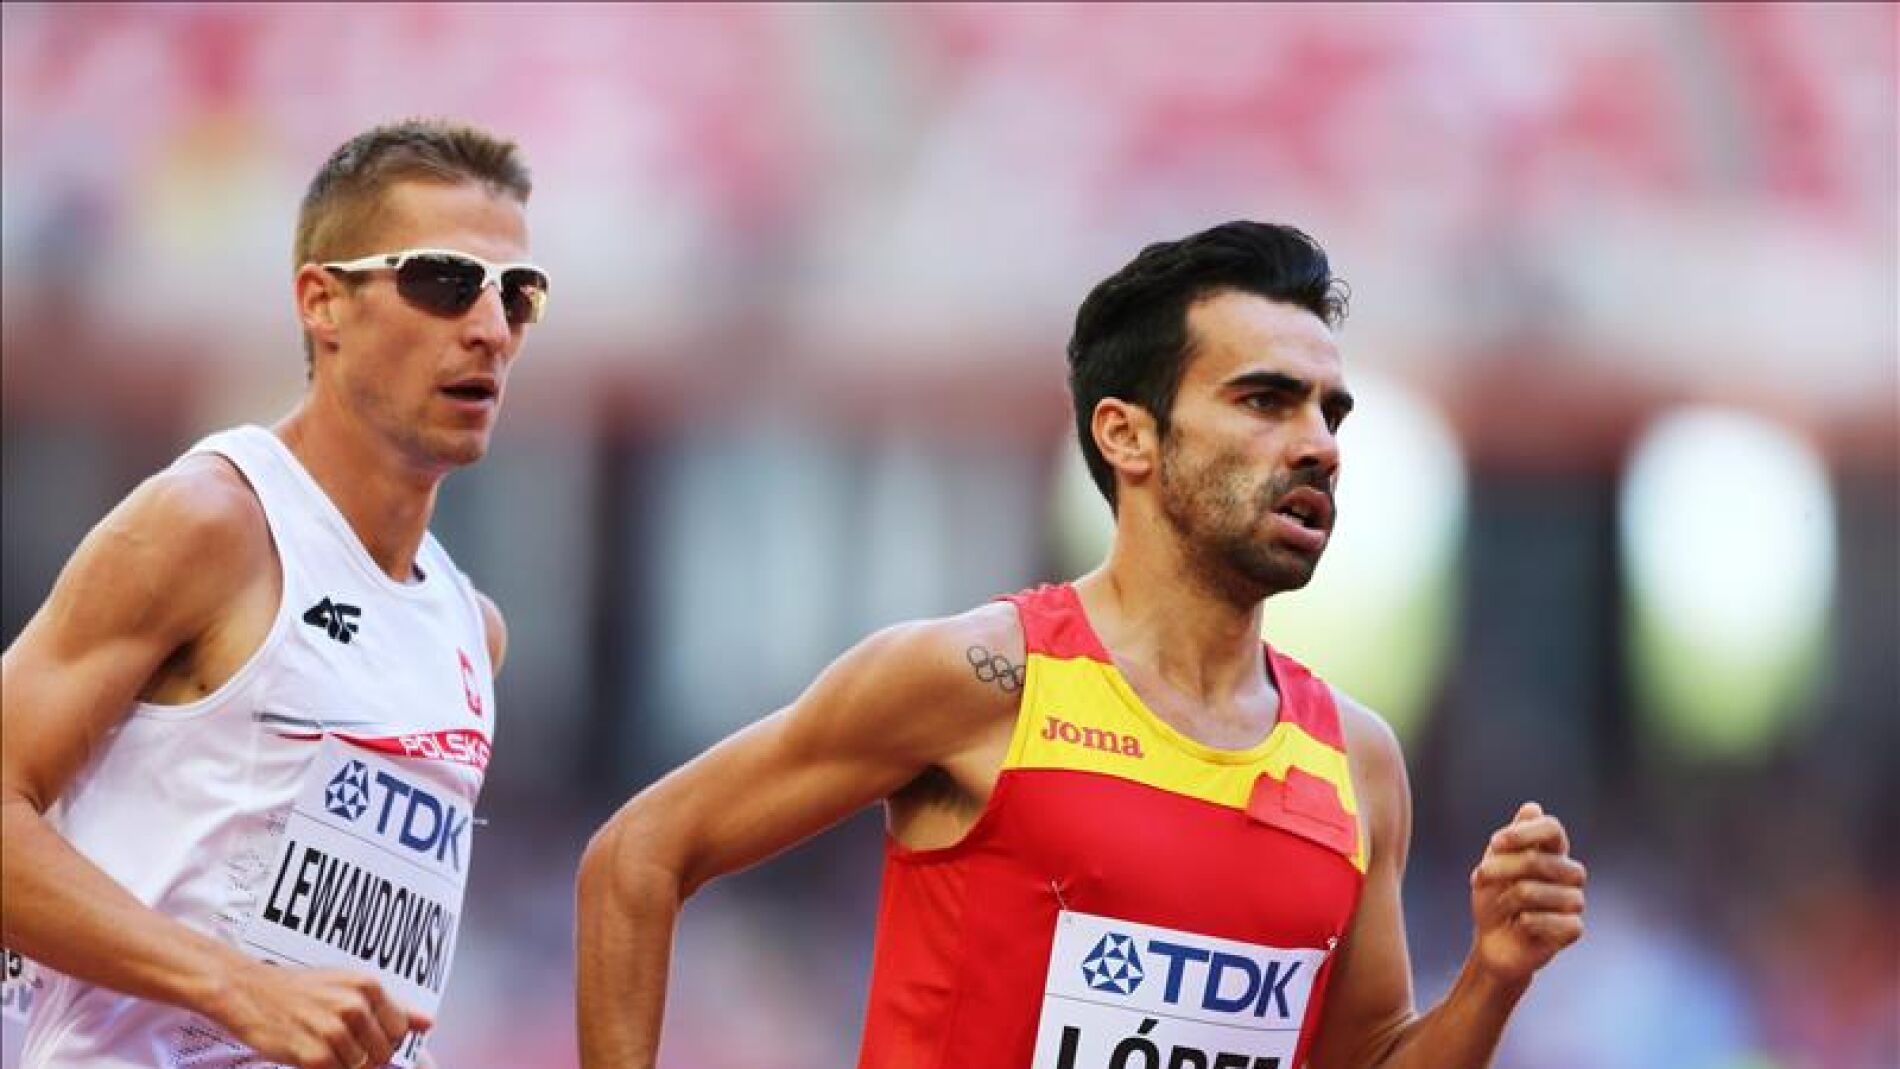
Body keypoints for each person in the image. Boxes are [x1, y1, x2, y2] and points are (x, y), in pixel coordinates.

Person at [576, 221, 1587, 1069]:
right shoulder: (982, 681)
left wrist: (1490, 977)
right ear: (1126, 436)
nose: (1318, 441)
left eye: (1329, 411)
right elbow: (637, 855)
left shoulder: (1355, 764)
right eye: (1265, 400)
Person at [0, 118, 549, 1069]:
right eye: (444, 281)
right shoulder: (213, 524)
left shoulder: (472, 629)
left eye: (518, 294)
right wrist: (235, 984)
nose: (491, 328)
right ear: (322, 302)